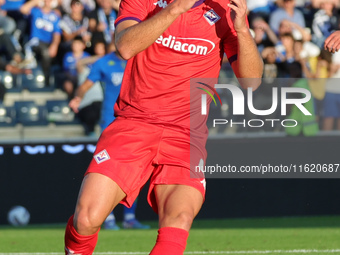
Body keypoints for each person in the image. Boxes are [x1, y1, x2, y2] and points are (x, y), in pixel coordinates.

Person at [64, 0, 263, 254]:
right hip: (133, 123)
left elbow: (252, 82)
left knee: (178, 220)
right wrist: (175, 9)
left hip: (185, 135)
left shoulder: (226, 8)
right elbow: (125, 46)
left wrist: (243, 31)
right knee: (86, 219)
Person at [70, 41, 150, 229]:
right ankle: (108, 218)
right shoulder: (103, 62)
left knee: (136, 172)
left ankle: (129, 218)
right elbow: (86, 84)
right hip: (110, 123)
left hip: (137, 123)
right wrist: (78, 97)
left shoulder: (140, 57)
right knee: (106, 172)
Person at [20, 0, 62, 86]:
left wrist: (55, 45)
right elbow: (23, 9)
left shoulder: (55, 16)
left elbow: (57, 34)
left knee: (48, 54)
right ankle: (42, 79)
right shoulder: (36, 11)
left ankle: (46, 79)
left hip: (48, 43)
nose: (48, 2)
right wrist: (35, 1)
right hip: (35, 41)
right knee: (44, 52)